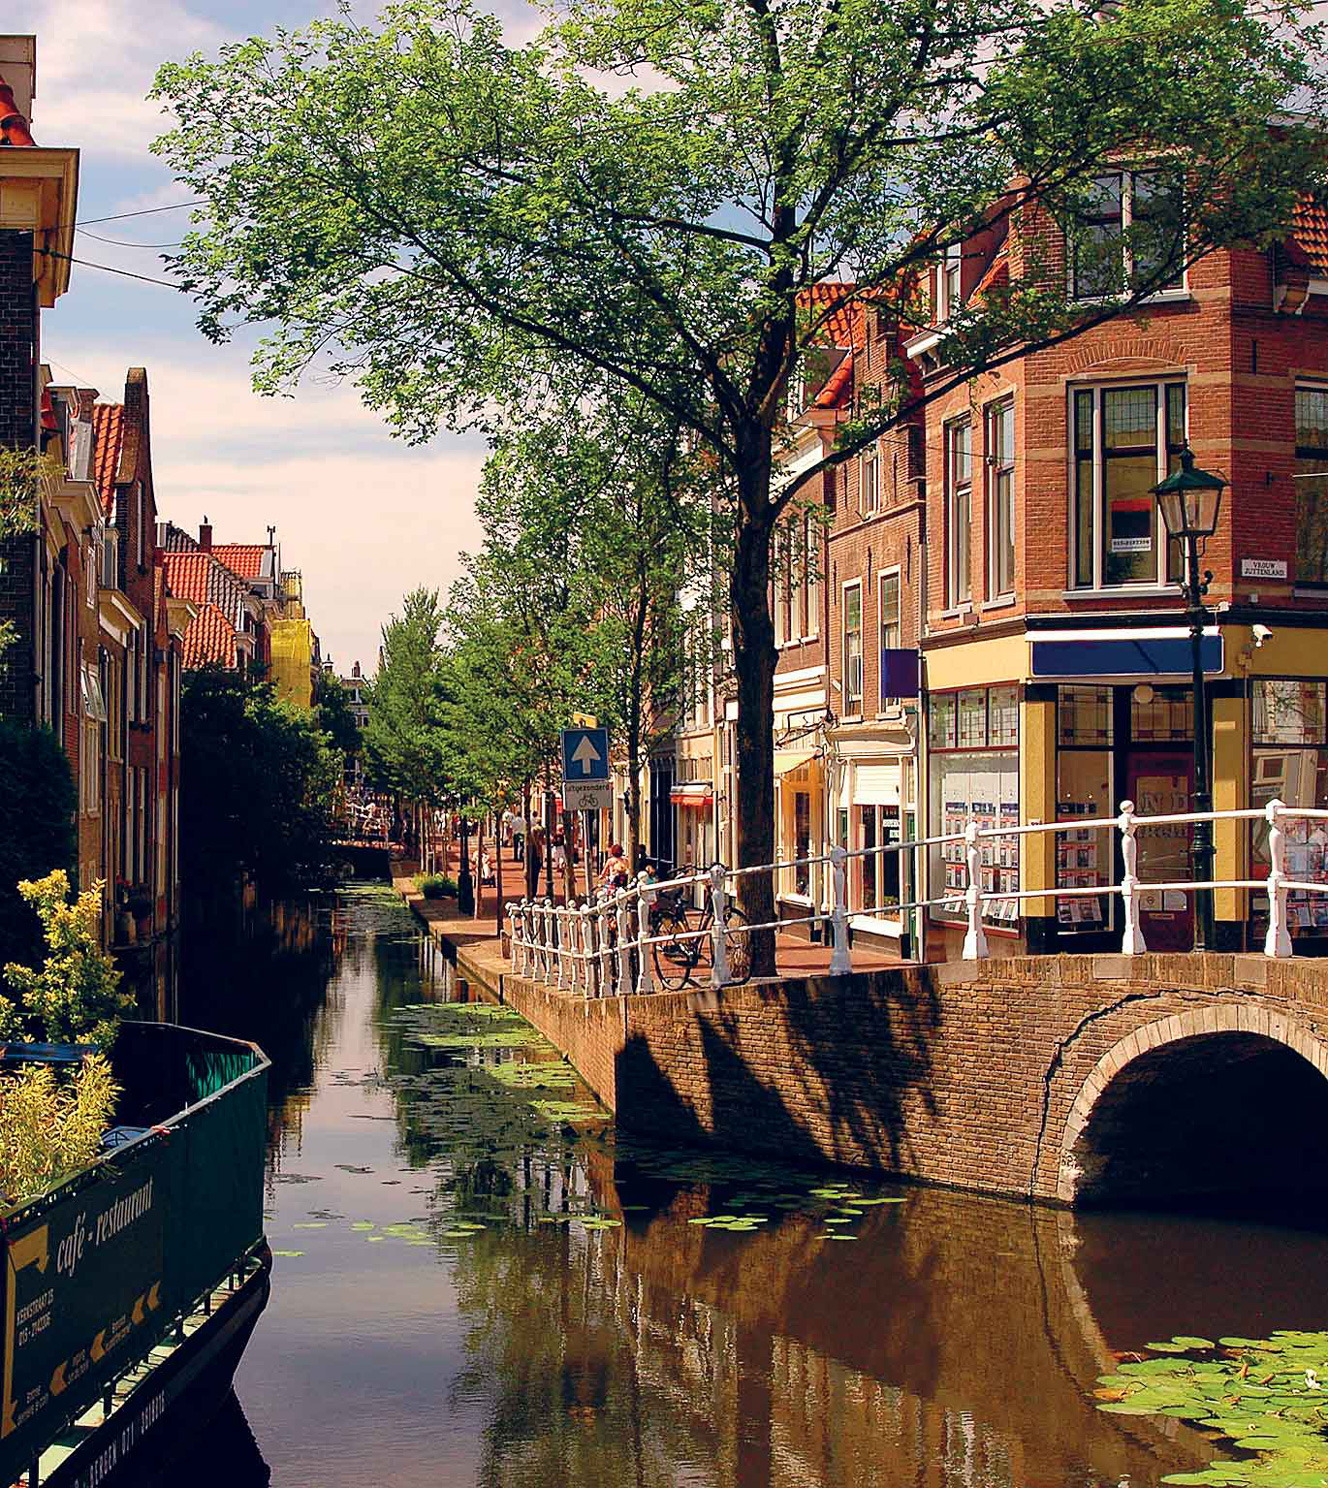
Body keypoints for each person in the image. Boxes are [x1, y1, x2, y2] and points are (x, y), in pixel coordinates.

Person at [526, 825, 545, 899]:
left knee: (535, 878)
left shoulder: (537, 843)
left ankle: (533, 893)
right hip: (532, 863)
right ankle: (531, 893)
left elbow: (540, 854)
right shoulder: (531, 844)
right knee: (532, 878)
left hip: (536, 863)